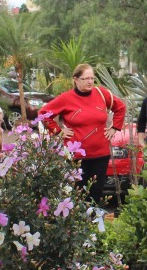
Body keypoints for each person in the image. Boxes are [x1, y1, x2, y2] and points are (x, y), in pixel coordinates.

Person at [40, 64, 126, 204]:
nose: (90, 81)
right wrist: (58, 131)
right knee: (77, 194)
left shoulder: (102, 93)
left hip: (101, 154)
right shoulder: (66, 98)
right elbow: (44, 114)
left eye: (92, 78)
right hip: (77, 157)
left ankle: (94, 223)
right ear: (76, 79)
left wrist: (114, 128)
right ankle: (78, 225)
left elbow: (120, 107)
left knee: (96, 193)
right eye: (86, 78)